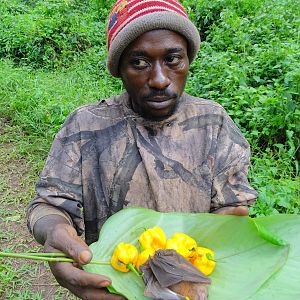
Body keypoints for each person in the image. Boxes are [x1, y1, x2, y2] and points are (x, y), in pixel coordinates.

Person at [26, 0, 258, 299]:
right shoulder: (86, 126)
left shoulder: (212, 122)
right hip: (118, 284)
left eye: (173, 59)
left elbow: (232, 207)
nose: (160, 80)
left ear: (188, 59)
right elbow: (47, 207)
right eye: (139, 62)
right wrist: (55, 233)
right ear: (118, 69)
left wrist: (229, 224)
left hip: (192, 285)